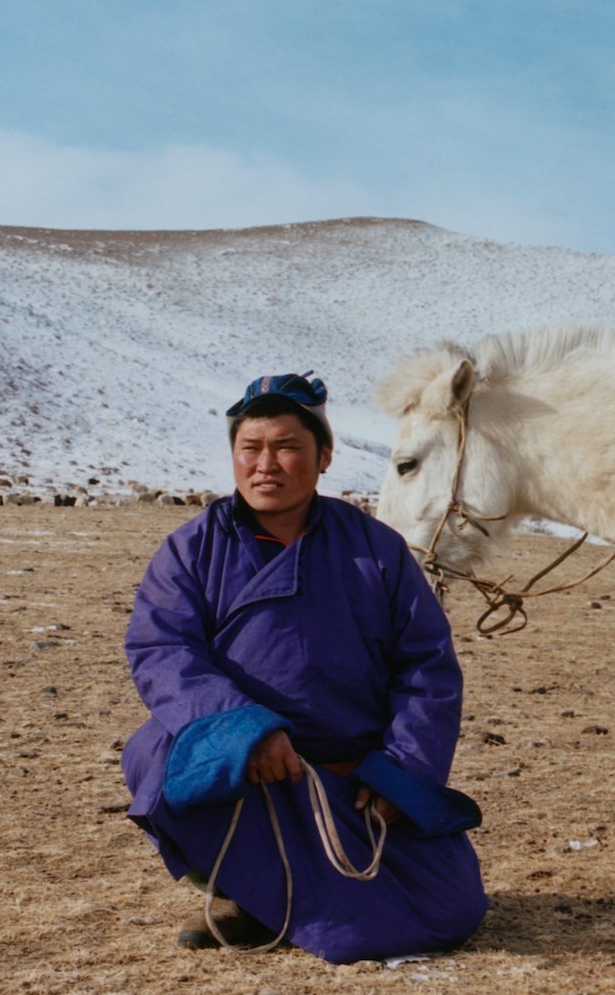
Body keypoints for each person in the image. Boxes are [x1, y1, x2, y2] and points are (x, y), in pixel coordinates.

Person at [119, 371, 487, 961]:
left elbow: (426, 669)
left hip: (355, 778)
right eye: (251, 448)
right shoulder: (190, 550)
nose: (267, 464)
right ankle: (242, 893)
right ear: (235, 457)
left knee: (451, 909)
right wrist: (245, 729)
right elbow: (164, 653)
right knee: (158, 756)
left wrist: (402, 772)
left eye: (287, 447)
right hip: (253, 773)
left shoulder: (377, 550)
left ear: (324, 458)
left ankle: (288, 900)